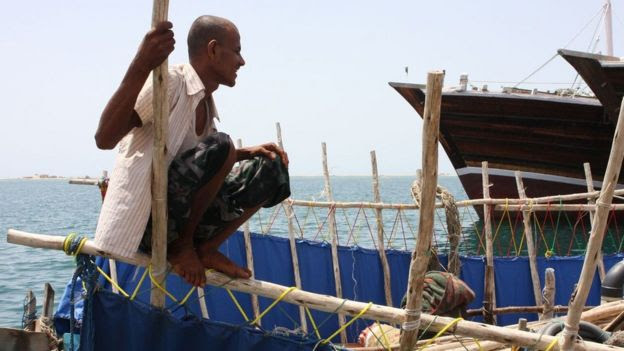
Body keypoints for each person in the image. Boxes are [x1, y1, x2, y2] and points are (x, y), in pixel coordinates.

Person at [93, 15, 290, 287]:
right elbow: (104, 137)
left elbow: (197, 159)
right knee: (223, 144)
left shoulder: (206, 102)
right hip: (151, 224)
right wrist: (141, 64)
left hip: (179, 219)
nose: (241, 61)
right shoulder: (170, 82)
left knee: (270, 166)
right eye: (237, 51)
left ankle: (206, 249)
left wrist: (245, 153)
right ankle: (181, 247)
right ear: (212, 50)